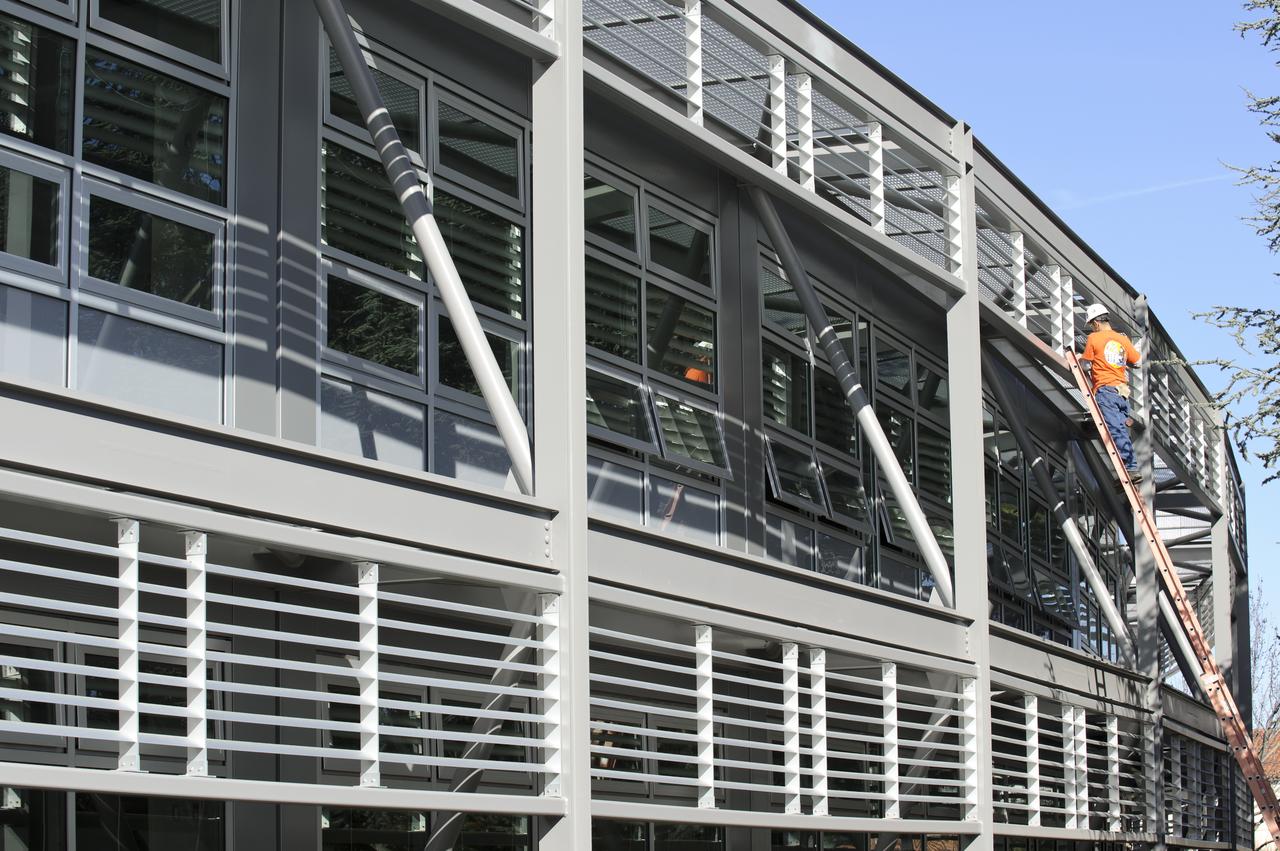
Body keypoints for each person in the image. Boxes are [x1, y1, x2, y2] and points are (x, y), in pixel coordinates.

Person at [1080, 303, 1142, 482]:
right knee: (1121, 429)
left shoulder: (1094, 338)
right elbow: (1137, 362)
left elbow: (1086, 365)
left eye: (1092, 324)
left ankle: (1130, 468)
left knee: (1115, 429)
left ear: (1096, 323)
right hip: (1122, 392)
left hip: (1105, 389)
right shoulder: (1121, 339)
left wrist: (1078, 359)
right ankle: (1126, 470)